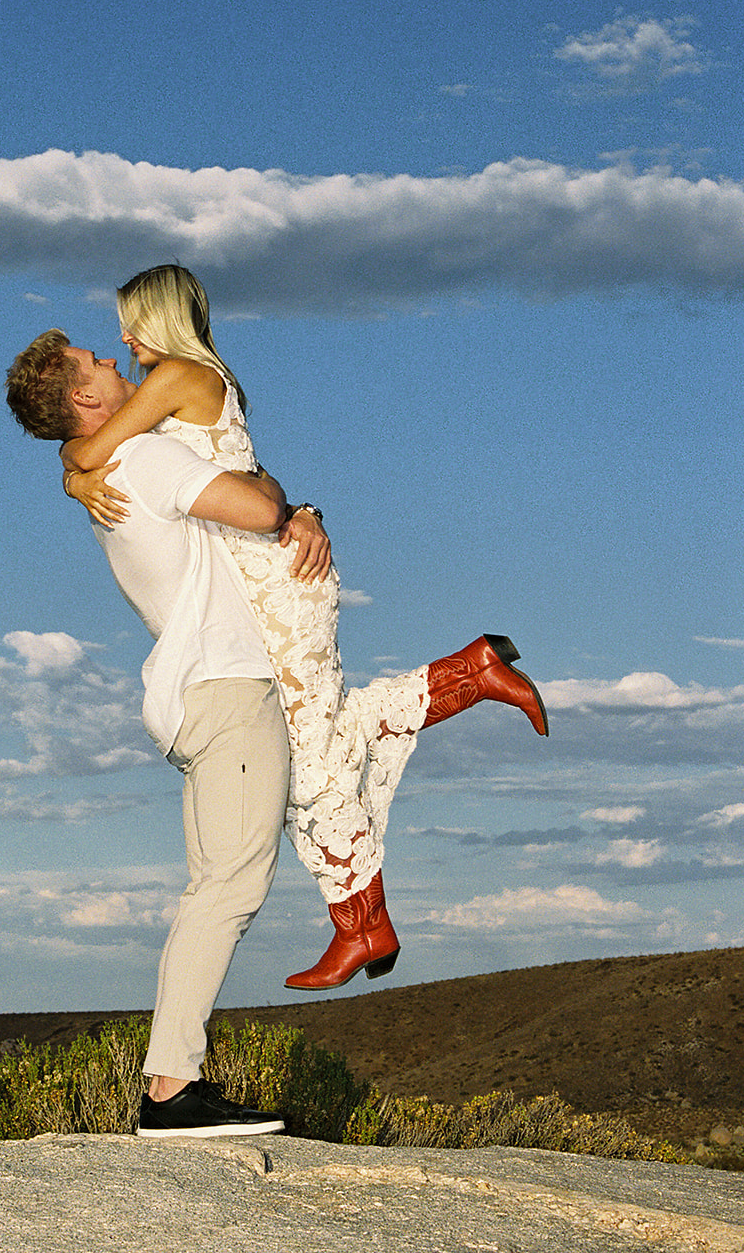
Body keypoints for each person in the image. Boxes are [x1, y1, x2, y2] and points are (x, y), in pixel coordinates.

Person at [41, 268, 550, 992]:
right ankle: (471, 673)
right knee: (324, 736)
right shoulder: (195, 378)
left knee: (306, 767)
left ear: (160, 319)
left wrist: (73, 471)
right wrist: (72, 462)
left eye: (129, 324)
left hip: (278, 584)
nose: (120, 341)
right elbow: (112, 440)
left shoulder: (177, 374)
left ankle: (363, 927)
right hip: (271, 577)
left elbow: (92, 445)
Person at [5, 332, 290, 1138]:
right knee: (229, 886)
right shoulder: (142, 462)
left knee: (221, 880)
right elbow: (263, 510)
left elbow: (83, 459)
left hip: (198, 692)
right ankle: (169, 1092)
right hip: (226, 686)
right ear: (88, 401)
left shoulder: (110, 462)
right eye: (92, 361)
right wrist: (281, 494)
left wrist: (71, 469)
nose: (108, 352)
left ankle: (172, 1084)